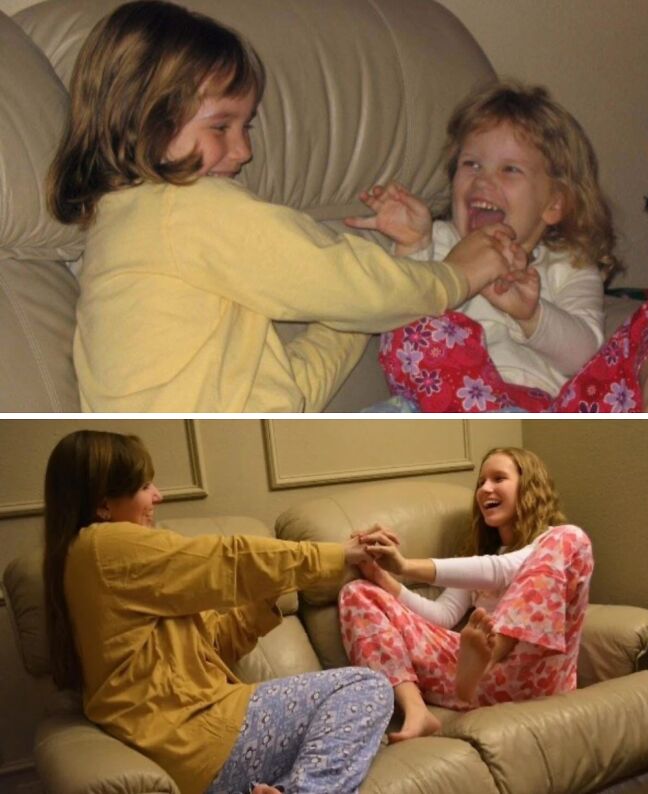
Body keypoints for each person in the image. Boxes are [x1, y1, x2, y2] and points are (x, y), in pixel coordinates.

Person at [46, 0, 519, 413]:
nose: (244, 151)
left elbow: (286, 387)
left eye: (246, 127)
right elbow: (345, 283)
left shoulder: (125, 226)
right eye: (221, 127)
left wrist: (359, 317)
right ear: (145, 119)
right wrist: (457, 275)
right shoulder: (187, 207)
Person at [43, 429, 398, 794]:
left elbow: (214, 642)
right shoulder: (103, 547)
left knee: (359, 741)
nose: (157, 495)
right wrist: (338, 554)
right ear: (103, 505)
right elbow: (230, 559)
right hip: (197, 740)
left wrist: (270, 590)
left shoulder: (107, 567)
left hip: (202, 744)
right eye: (144, 485)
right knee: (366, 686)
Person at [346, 80, 648, 412]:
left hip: (552, 411)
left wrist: (531, 315)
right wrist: (413, 246)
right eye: (471, 164)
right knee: (422, 329)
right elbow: (397, 316)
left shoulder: (571, 264)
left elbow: (584, 355)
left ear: (554, 205)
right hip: (449, 404)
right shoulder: (435, 239)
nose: (483, 179)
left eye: (510, 169)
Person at [338, 447, 594, 742]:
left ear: (529, 486)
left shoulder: (552, 542)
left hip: (538, 676)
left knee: (572, 535)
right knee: (356, 592)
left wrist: (405, 565)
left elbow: (502, 569)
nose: (485, 489)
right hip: (477, 684)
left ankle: (491, 650)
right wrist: (380, 577)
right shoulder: (477, 561)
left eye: (498, 478)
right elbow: (441, 617)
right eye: (481, 482)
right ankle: (417, 711)